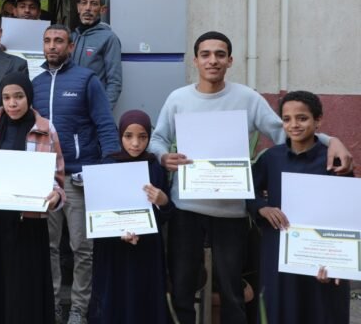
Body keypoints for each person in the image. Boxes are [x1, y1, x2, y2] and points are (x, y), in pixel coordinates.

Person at [148, 31, 353, 324]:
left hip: (231, 211)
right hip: (186, 209)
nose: (213, 60)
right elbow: (158, 139)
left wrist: (331, 140)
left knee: (233, 292)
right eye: (205, 54)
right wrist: (162, 157)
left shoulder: (247, 97)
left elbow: (285, 131)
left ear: (230, 60)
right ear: (195, 60)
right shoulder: (178, 99)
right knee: (182, 288)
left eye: (220, 54)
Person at [32, 25, 120, 324]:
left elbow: (105, 124)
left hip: (78, 177)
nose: (52, 46)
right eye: (47, 41)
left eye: (59, 41)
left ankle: (80, 307)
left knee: (82, 247)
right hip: (44, 178)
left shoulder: (86, 80)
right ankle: (53, 303)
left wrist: (104, 167)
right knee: (48, 246)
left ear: (70, 47)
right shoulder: (35, 84)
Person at [0, 72, 66, 324]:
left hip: (28, 222)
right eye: (7, 97)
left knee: (24, 286)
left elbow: (57, 178)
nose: (12, 103)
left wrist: (55, 195)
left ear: (28, 97)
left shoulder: (46, 129)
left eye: (19, 97)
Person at [247, 91, 350, 324]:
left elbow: (347, 214)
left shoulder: (334, 160)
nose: (294, 125)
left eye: (302, 118)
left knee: (321, 309)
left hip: (323, 252)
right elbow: (247, 190)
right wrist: (262, 208)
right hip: (280, 247)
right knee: (282, 308)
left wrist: (339, 264)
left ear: (318, 120)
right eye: (287, 119)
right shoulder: (271, 158)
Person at [87, 110, 173, 324]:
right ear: (120, 136)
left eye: (142, 137)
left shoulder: (155, 167)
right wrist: (117, 231)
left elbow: (165, 216)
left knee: (144, 297)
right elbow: (98, 213)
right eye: (128, 136)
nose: (135, 143)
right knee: (114, 296)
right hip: (113, 249)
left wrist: (163, 201)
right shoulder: (107, 165)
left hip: (146, 249)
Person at [70, 0, 122, 109]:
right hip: (69, 108)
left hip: (93, 109)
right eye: (84, 3)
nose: (88, 8)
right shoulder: (71, 37)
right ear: (78, 7)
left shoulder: (109, 38)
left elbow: (114, 82)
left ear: (102, 9)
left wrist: (103, 112)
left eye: (93, 4)